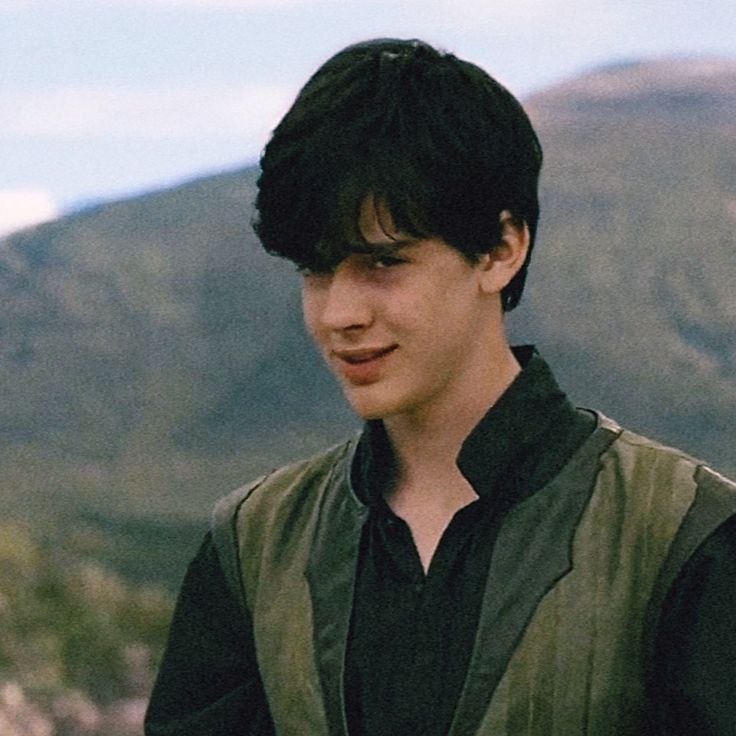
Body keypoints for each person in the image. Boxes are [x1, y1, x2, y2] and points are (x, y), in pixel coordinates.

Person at [144, 39, 736, 736]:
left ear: (500, 249)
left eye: (383, 262)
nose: (339, 314)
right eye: (316, 269)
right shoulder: (252, 546)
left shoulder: (684, 536)